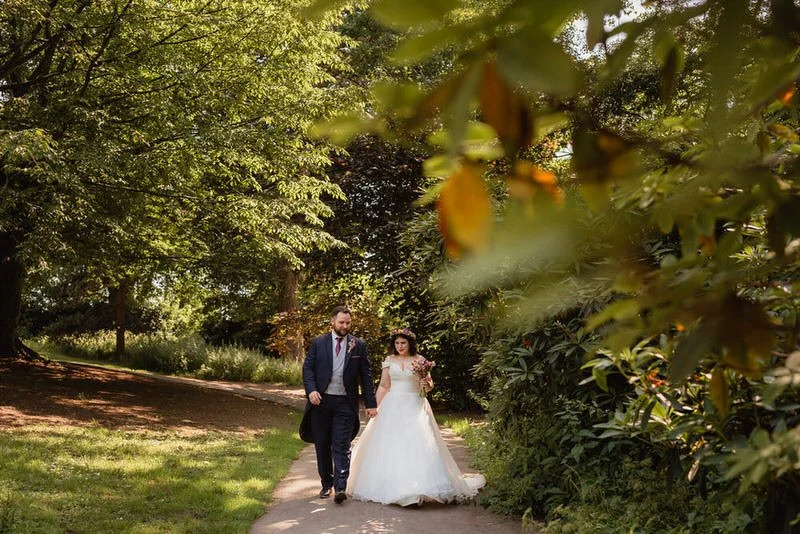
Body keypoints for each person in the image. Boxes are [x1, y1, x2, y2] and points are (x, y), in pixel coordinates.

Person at [347, 327, 486, 506]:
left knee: (417, 444)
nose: (399, 346)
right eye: (397, 343)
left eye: (403, 343)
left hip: (415, 405)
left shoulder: (420, 360)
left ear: (410, 343)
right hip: (393, 406)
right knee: (393, 445)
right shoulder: (389, 360)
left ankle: (418, 489)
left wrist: (426, 383)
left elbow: (429, 386)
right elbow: (384, 385)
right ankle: (399, 490)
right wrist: (373, 405)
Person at [300, 306, 377, 504]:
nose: (345, 326)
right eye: (341, 322)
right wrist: (312, 391)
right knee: (322, 445)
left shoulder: (358, 344)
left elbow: (366, 377)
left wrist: (371, 403)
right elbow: (308, 369)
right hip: (321, 402)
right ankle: (327, 484)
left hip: (345, 403)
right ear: (332, 321)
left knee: (342, 445)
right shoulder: (319, 343)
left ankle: (341, 487)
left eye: (348, 323)